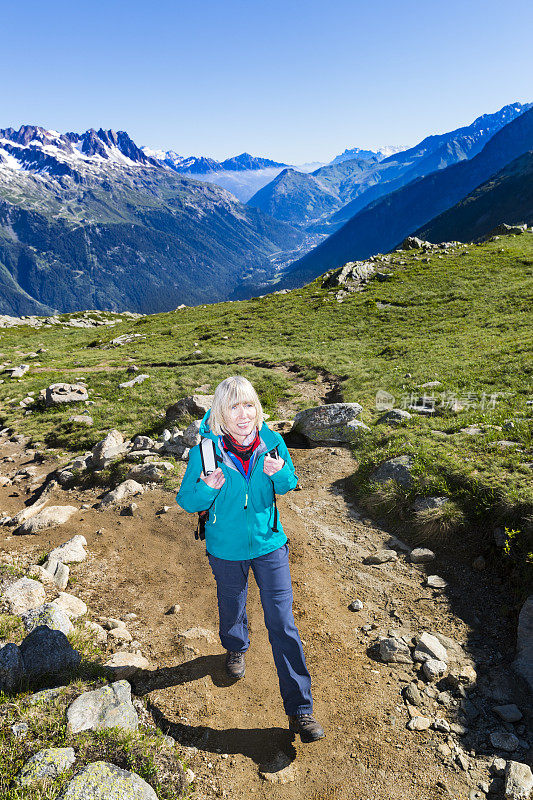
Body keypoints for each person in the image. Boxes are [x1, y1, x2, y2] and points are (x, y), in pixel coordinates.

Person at [175, 375, 325, 743]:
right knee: (232, 602)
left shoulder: (273, 442)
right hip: (225, 548)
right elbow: (187, 501)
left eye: (249, 405)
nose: (243, 415)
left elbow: (287, 484)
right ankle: (235, 647)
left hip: (269, 543)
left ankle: (300, 709)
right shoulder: (207, 452)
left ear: (257, 408)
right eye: (233, 407)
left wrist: (281, 473)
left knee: (282, 622)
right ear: (220, 414)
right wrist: (206, 489)